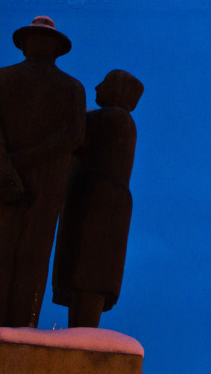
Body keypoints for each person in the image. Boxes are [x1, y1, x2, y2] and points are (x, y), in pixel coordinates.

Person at [0, 16, 86, 328]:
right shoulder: (70, 87)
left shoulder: (1, 78)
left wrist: (6, 166)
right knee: (31, 259)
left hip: (9, 180)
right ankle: (21, 326)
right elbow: (74, 136)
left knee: (5, 255)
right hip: (36, 182)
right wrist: (10, 166)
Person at [51, 70, 144, 328]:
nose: (96, 87)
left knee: (87, 272)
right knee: (84, 275)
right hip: (98, 200)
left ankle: (82, 331)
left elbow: (71, 135)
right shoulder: (117, 121)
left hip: (97, 204)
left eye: (105, 83)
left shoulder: (112, 118)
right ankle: (81, 328)